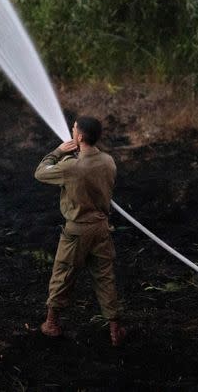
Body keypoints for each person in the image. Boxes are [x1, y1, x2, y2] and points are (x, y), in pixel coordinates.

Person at [34, 116, 127, 347]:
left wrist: (57, 151)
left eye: (74, 129)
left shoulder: (71, 167)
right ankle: (115, 328)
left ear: (80, 137)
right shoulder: (108, 161)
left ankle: (51, 324)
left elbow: (40, 173)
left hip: (77, 233)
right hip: (102, 229)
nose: (71, 131)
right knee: (105, 278)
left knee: (63, 274)